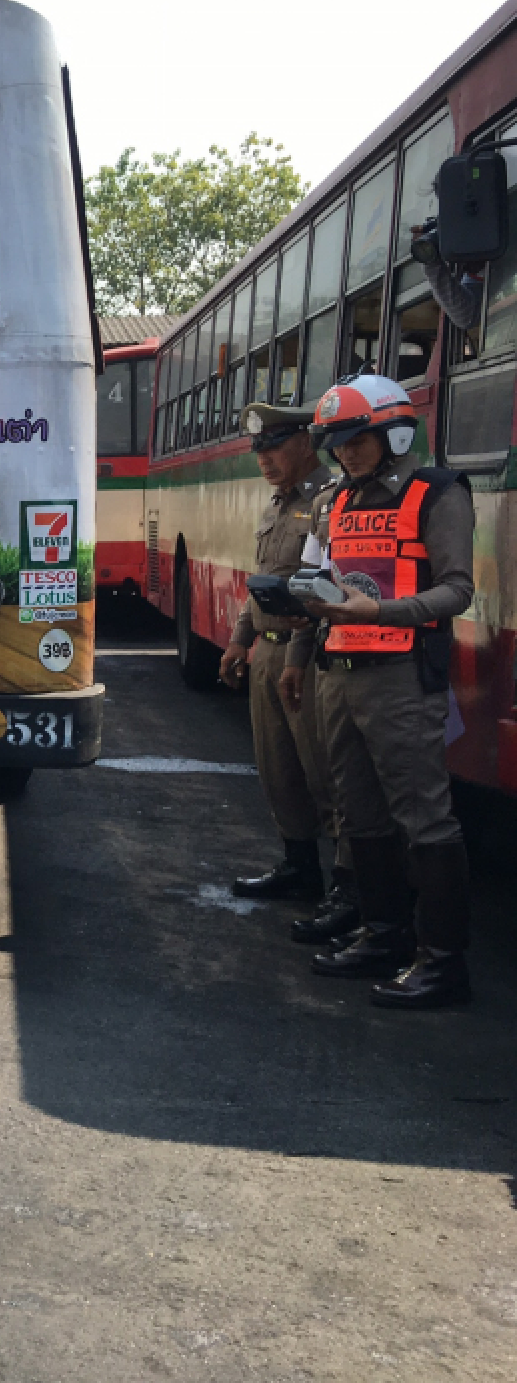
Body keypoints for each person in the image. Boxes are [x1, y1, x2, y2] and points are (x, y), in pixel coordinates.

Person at [286, 376, 476, 1009]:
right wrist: (300, 643)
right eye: (337, 444)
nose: (347, 454)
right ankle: (384, 935)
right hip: (339, 672)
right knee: (360, 813)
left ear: (395, 432)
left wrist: (381, 612)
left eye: (357, 440)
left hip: (401, 675)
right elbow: (325, 582)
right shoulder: (336, 501)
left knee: (422, 816)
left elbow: (457, 589)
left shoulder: (437, 493)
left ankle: (443, 965)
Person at [220, 402, 347, 936]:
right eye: (258, 450)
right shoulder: (277, 504)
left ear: (304, 443)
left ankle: (348, 888)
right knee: (277, 769)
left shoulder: (329, 499)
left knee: (324, 771)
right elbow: (263, 579)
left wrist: (293, 650)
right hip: (268, 651)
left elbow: (325, 584)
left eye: (273, 447)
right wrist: (237, 642)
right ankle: (300, 868)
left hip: (308, 654)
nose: (264, 459)